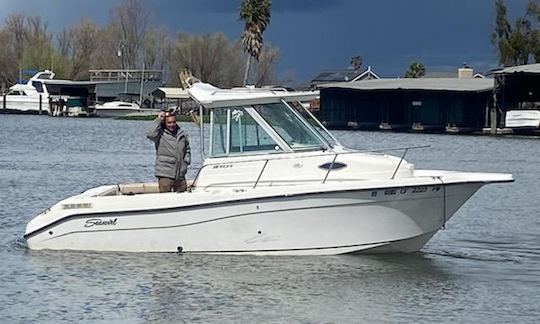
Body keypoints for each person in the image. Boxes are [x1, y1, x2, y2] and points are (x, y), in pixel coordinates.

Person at [146, 111, 191, 193]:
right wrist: (159, 119)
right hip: (165, 174)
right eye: (169, 122)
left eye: (173, 122)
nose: (172, 125)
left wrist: (186, 162)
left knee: (183, 198)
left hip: (180, 174)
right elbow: (150, 134)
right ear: (165, 123)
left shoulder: (182, 134)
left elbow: (187, 149)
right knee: (165, 198)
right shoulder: (160, 134)